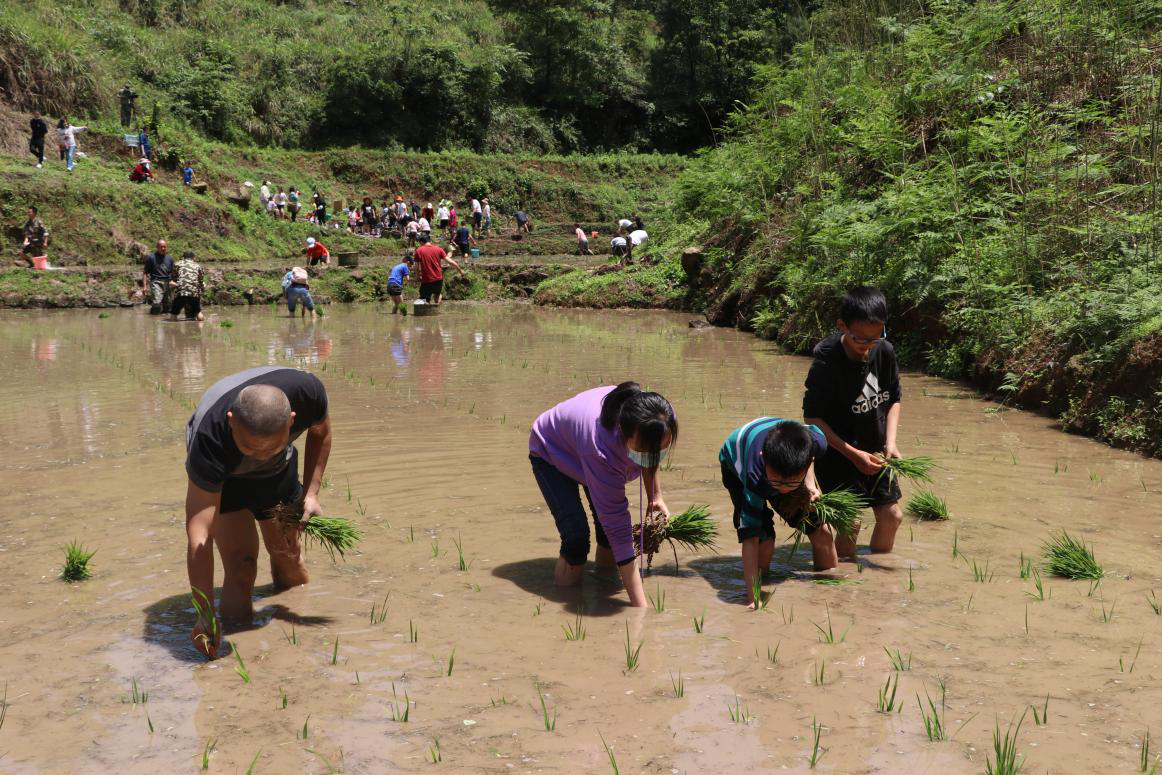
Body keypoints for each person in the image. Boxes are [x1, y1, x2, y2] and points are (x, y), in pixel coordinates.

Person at [184, 367, 332, 657]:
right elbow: (200, 536)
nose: (260, 455)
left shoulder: (308, 394)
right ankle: (237, 649)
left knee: (287, 555)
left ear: (292, 420)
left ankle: (296, 648)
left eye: (269, 448)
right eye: (250, 447)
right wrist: (203, 612)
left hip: (278, 472)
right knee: (242, 566)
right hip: (225, 477)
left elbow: (321, 432)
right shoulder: (209, 440)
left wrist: (311, 493)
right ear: (231, 421)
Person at [529, 382, 679, 608]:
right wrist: (641, 611)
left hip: (581, 445)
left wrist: (655, 496)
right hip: (551, 450)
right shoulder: (601, 450)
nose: (652, 456)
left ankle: (603, 585)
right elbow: (618, 527)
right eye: (643, 450)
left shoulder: (662, 417)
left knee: (606, 535)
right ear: (623, 434)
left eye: (659, 450)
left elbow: (651, 455)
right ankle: (564, 602)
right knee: (576, 538)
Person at [803, 286, 905, 558]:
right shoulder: (826, 365)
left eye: (876, 337)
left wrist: (890, 443)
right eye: (860, 339)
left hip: (876, 452)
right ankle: (843, 579)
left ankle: (879, 575)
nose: (868, 346)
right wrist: (853, 454)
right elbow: (812, 418)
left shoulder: (884, 351)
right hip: (837, 455)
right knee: (851, 524)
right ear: (842, 326)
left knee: (892, 516)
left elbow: (894, 399)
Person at [719, 419, 828, 608]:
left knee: (820, 531)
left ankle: (827, 586)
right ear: (764, 458)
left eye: (790, 483)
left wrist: (809, 483)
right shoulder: (754, 477)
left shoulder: (818, 442)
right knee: (764, 541)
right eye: (778, 482)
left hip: (787, 462)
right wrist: (753, 597)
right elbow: (750, 539)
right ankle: (763, 577)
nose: (783, 489)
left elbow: (810, 455)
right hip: (736, 464)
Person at [413, 233, 465, 304]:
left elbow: (416, 267)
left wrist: (418, 277)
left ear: (421, 242)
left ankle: (428, 309)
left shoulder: (419, 250)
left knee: (424, 300)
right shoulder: (438, 249)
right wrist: (460, 270)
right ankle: (437, 307)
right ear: (430, 241)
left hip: (426, 280)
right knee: (437, 295)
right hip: (438, 279)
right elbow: (451, 262)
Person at [170, 250, 206, 321]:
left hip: (181, 292)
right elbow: (201, 281)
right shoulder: (198, 266)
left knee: (173, 314)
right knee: (198, 313)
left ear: (183, 257)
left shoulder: (177, 264)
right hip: (193, 293)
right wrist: (202, 287)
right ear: (194, 258)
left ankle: (172, 327)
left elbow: (174, 278)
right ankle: (202, 324)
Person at [143, 239, 174, 314]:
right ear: (157, 247)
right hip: (156, 282)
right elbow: (145, 272)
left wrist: (173, 281)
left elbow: (172, 272)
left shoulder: (170, 258)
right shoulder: (151, 258)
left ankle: (163, 320)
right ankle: (153, 318)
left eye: (164, 247)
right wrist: (145, 286)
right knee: (157, 303)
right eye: (161, 247)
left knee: (168, 305)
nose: (163, 248)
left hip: (167, 282)